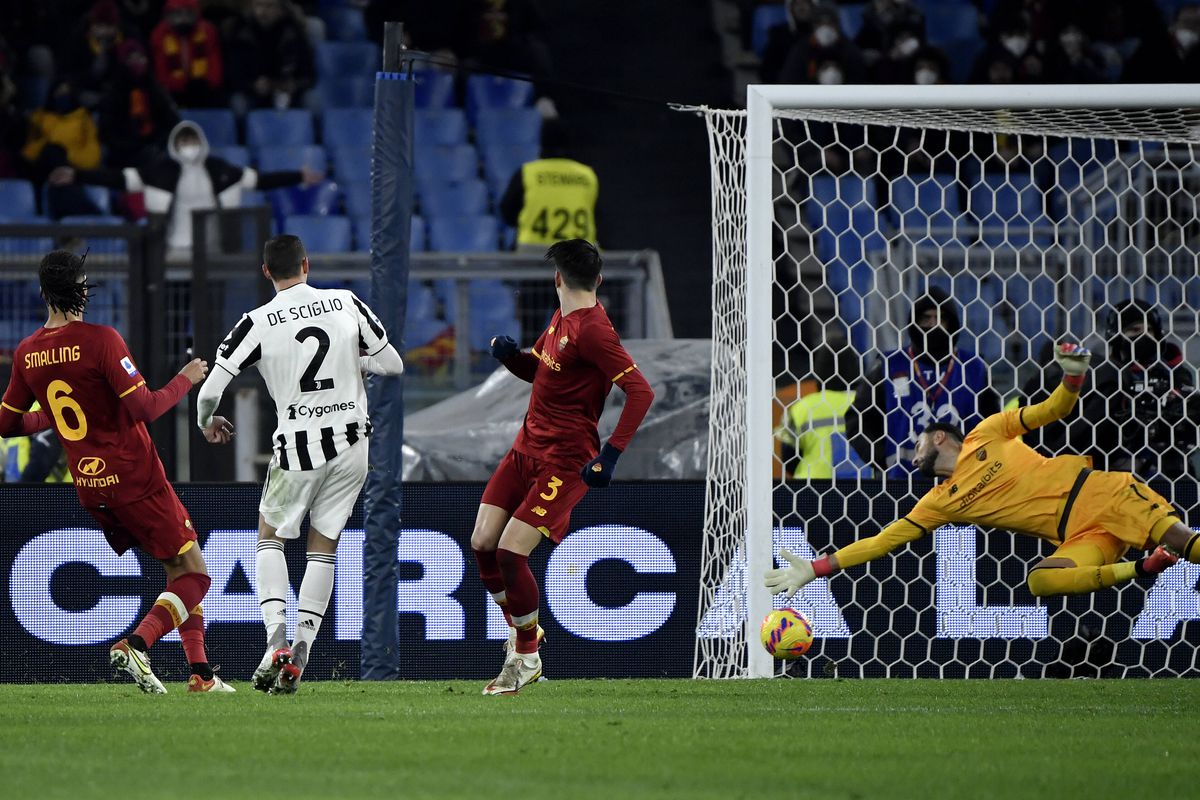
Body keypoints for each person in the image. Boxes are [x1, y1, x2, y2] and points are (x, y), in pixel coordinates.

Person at [766, 343, 1191, 604]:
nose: (912, 457)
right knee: (1042, 581)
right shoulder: (940, 501)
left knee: (1183, 541)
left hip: (1102, 494)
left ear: (938, 438)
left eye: (916, 445)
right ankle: (1143, 569)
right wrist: (817, 568)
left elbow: (1052, 410)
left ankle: (1164, 552)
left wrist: (1072, 378)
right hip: (1079, 534)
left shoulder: (987, 433)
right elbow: (882, 543)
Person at [0, 249, 232, 693]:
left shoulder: (27, 353)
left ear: (44, 292)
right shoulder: (101, 339)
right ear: (81, 288)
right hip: (134, 476)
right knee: (196, 576)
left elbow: (7, 424)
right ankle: (136, 645)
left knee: (179, 563)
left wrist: (49, 415)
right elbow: (144, 408)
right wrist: (185, 378)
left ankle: (201, 674)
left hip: (90, 486)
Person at [195, 234, 403, 694]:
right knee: (323, 545)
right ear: (307, 264)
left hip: (297, 446)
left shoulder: (257, 322)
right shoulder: (345, 301)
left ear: (266, 272)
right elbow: (393, 364)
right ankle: (304, 649)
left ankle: (275, 642)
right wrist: (358, 365)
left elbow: (210, 389)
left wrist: (206, 421)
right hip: (353, 444)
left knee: (271, 536)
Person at [473, 239, 655, 695]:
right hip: (525, 447)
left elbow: (641, 392)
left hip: (563, 461)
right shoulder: (562, 318)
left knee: (511, 553)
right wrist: (511, 357)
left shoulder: (594, 330)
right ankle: (521, 634)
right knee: (482, 543)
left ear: (557, 277)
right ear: (598, 279)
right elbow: (541, 370)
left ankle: (527, 655)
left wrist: (609, 455)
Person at [50, 120, 321, 253]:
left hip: (213, 249)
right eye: (183, 142)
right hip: (171, 250)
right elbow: (119, 179)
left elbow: (260, 180)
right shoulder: (160, 171)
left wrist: (297, 176)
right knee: (174, 308)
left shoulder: (220, 169)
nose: (188, 147)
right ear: (174, 145)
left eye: (192, 141)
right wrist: (78, 176)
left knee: (212, 307)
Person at [845, 289, 999, 478]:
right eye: (926, 319)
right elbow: (858, 419)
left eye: (940, 318)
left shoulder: (973, 368)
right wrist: (881, 458)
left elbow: (993, 425)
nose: (933, 325)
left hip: (961, 484)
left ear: (952, 323)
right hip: (901, 483)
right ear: (914, 322)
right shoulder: (890, 365)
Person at [499, 119, 598, 252]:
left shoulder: (528, 172)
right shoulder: (587, 175)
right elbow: (596, 215)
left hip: (532, 253)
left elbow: (507, 213)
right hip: (579, 254)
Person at [776, 346, 859, 480]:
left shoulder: (802, 407)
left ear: (819, 372)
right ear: (855, 370)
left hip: (811, 491)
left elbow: (788, 459)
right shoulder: (864, 402)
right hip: (863, 490)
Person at [97, 38, 180, 169]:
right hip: (122, 157)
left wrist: (157, 144)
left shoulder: (156, 90)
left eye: (141, 57)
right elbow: (107, 133)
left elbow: (172, 123)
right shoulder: (112, 94)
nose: (137, 62)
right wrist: (132, 148)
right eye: (131, 58)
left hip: (154, 151)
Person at [225, 0, 315, 115]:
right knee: (238, 102)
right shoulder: (240, 32)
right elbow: (232, 74)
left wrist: (294, 85)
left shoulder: (294, 32)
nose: (263, 11)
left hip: (287, 94)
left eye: (269, 6)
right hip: (252, 93)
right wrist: (252, 85)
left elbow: (309, 74)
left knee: (313, 100)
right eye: (258, 5)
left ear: (281, 10)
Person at [149, 0, 225, 107]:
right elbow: (161, 76)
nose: (183, 18)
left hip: (205, 92)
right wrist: (184, 85)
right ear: (168, 15)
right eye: (178, 13)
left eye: (188, 13)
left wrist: (203, 85)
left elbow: (215, 73)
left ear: (196, 14)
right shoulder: (159, 35)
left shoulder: (208, 32)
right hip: (172, 94)